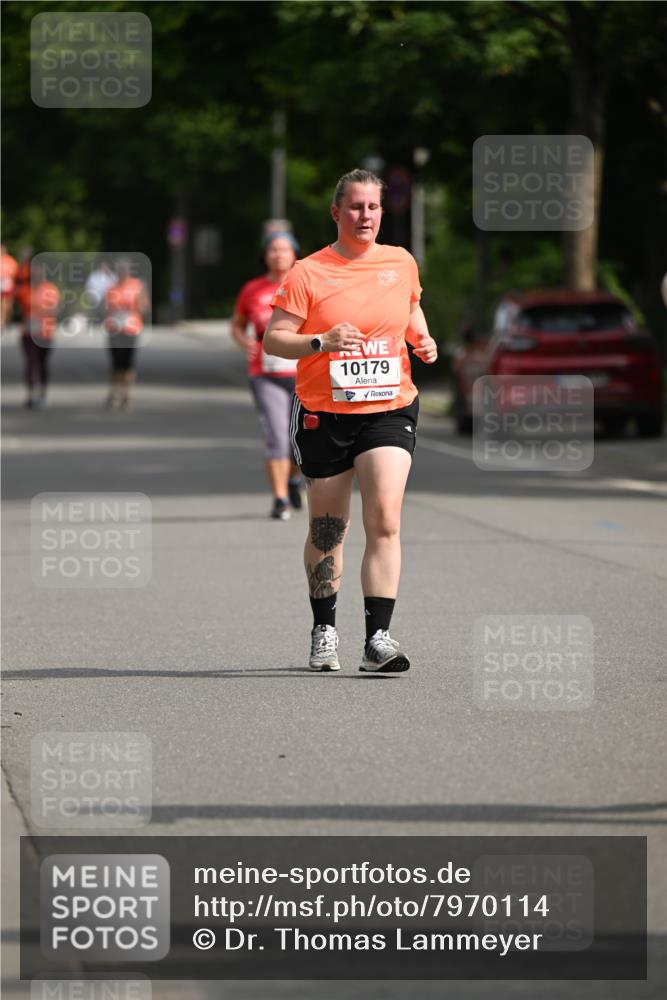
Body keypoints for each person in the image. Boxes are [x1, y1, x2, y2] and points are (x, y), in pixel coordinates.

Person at [263, 168, 438, 672]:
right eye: (357, 207)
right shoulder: (308, 272)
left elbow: (410, 311)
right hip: (325, 411)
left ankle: (378, 638)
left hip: (389, 406)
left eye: (374, 207)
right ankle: (324, 628)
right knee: (328, 528)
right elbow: (276, 339)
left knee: (384, 518)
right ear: (337, 212)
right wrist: (321, 342)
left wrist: (422, 340)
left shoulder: (400, 261)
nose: (366, 216)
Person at [231, 232, 304, 520]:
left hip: (303, 373)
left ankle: (294, 479)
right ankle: (280, 499)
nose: (278, 255)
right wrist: (244, 342)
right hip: (266, 373)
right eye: (273, 249)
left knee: (299, 440)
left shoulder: (306, 285)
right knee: (277, 437)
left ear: (294, 254)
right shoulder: (253, 289)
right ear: (265, 255)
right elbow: (237, 325)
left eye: (284, 249)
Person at [103, 259, 149, 408]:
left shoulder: (136, 286)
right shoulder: (112, 288)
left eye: (124, 270)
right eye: (119, 271)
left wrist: (136, 307)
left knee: (128, 364)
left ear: (128, 272)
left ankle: (126, 394)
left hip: (130, 330)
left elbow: (144, 307)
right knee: (116, 363)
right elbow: (106, 308)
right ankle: (114, 392)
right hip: (115, 330)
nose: (122, 273)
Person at [21, 261, 60, 408]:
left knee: (42, 363)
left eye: (39, 273)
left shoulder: (50, 289)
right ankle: (31, 395)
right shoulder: (26, 289)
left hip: (44, 333)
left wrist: (41, 313)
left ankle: (43, 394)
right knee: (31, 363)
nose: (36, 275)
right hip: (29, 332)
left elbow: (55, 310)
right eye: (34, 273)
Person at [1, 244, 18, 329]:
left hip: (7, 282)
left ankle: (6, 319)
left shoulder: (10, 260)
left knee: (7, 303)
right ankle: (2, 321)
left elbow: (14, 272)